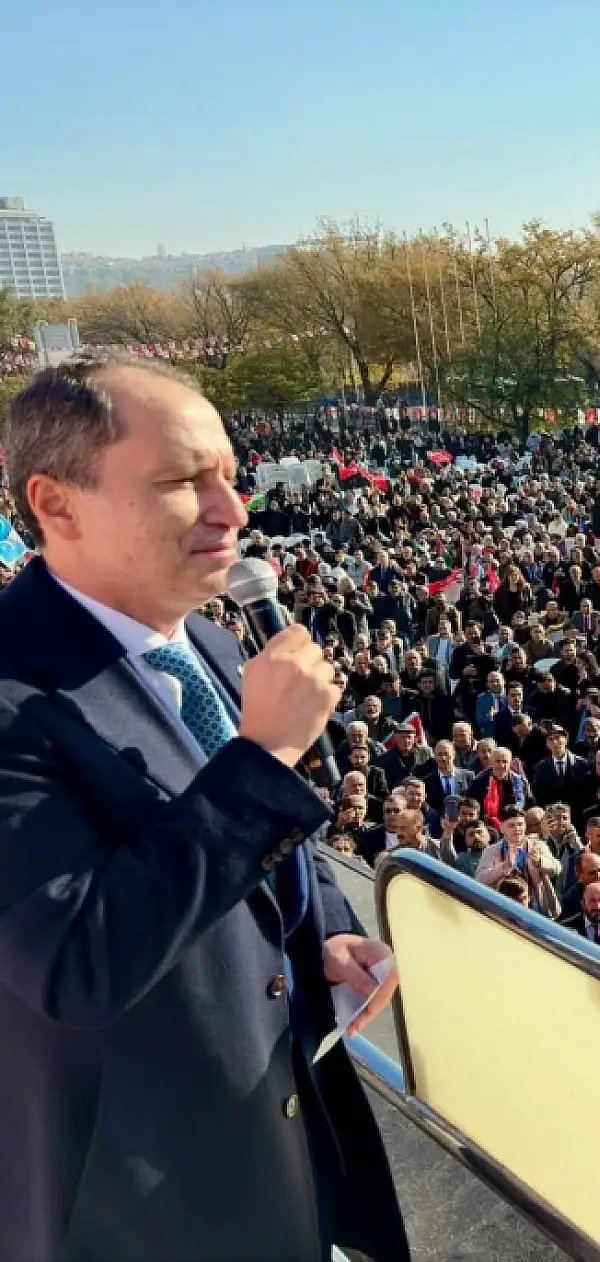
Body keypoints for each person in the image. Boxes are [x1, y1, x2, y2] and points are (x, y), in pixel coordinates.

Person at [0, 354, 407, 1261]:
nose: (234, 511)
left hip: (281, 1158)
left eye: (229, 473)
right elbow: (73, 963)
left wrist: (326, 929)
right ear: (57, 503)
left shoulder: (219, 647)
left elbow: (257, 861)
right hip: (135, 1209)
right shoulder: (12, 695)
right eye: (185, 482)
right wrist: (262, 758)